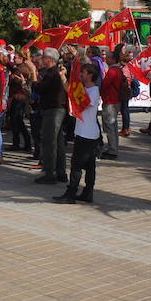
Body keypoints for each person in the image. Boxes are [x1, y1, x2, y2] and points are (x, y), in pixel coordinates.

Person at [53, 62, 101, 204]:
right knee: (88, 164)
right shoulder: (86, 89)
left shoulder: (93, 91)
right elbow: (72, 93)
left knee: (77, 165)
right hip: (84, 131)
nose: (81, 75)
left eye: (83, 73)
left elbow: (81, 102)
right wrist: (64, 78)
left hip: (88, 133)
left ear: (90, 75)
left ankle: (71, 193)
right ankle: (87, 193)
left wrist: (73, 84)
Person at [33, 48, 68, 184]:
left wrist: (33, 76)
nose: (41, 60)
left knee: (49, 142)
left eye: (43, 57)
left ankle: (50, 173)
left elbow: (40, 89)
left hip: (53, 109)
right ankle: (60, 172)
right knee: (58, 142)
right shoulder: (53, 72)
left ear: (49, 59)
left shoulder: (53, 73)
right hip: (55, 108)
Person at [100, 51, 123, 160]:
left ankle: (112, 150)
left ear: (113, 59)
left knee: (110, 126)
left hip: (110, 101)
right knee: (113, 126)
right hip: (114, 100)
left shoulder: (113, 71)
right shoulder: (117, 69)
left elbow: (105, 84)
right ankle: (113, 147)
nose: (106, 59)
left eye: (108, 58)